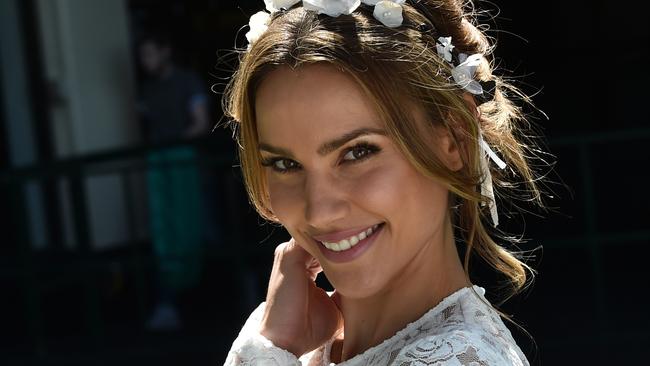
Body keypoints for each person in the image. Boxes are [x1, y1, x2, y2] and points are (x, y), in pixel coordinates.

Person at [222, 0, 547, 364]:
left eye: (357, 152)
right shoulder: (308, 347)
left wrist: (265, 348)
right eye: (285, 163)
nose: (320, 211)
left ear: (453, 140)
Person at [137, 31, 209, 331]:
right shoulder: (147, 89)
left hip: (182, 159)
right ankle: (170, 302)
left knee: (190, 223)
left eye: (149, 53)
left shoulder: (186, 81)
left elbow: (200, 124)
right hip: (159, 161)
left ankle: (201, 299)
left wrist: (175, 140)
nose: (145, 61)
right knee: (163, 227)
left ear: (165, 51)